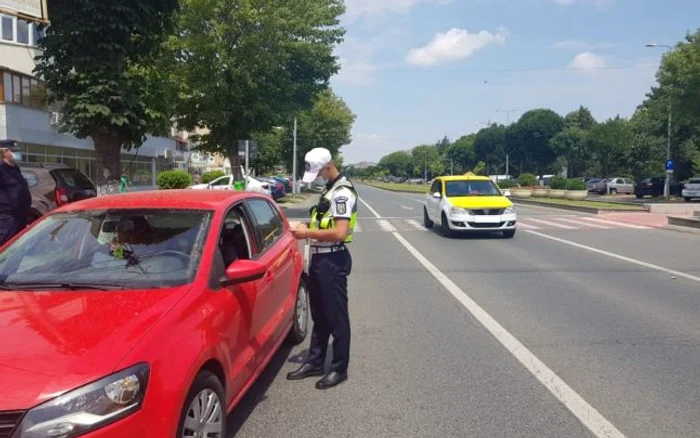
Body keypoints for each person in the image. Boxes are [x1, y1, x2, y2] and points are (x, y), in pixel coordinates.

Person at [287, 147, 358, 390]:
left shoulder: (342, 193)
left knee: (336, 318)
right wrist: (306, 226)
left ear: (329, 166)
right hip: (319, 258)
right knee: (319, 315)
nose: (316, 177)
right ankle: (315, 361)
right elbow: (325, 222)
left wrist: (306, 233)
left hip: (332, 260)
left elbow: (339, 232)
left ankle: (339, 368)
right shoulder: (330, 189)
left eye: (319, 172)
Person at [0, 141, 31, 246]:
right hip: (7, 218)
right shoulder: (1, 169)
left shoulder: (16, 169)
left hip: (21, 217)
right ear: (4, 152)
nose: (17, 153)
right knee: (4, 247)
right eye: (14, 151)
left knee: (17, 249)